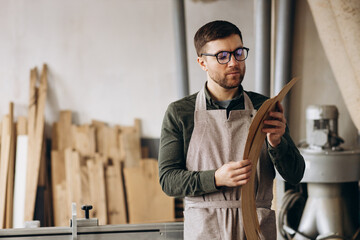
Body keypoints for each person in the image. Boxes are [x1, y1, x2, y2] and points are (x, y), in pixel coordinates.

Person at [158, 20, 305, 240]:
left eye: (238, 52)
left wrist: (277, 143)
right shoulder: (180, 112)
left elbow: (295, 175)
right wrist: (215, 178)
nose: (234, 62)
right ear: (202, 63)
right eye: (222, 56)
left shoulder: (264, 107)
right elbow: (168, 180)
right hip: (205, 230)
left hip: (255, 228)